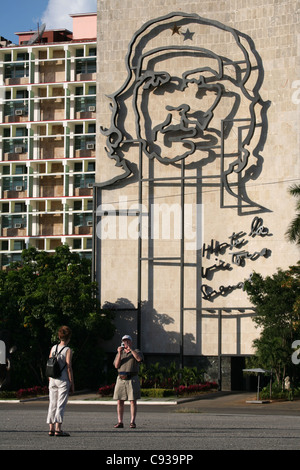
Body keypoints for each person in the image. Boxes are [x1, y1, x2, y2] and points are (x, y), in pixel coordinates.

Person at [46, 326, 74, 436]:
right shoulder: (68, 350)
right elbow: (68, 366)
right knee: (60, 404)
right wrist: (71, 382)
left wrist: (49, 377)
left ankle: (51, 428)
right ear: (69, 337)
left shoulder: (53, 348)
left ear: (59, 336)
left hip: (52, 378)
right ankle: (58, 428)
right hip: (63, 379)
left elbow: (49, 362)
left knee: (52, 403)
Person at [113, 334, 143, 428]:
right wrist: (119, 353)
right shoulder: (120, 353)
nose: (125, 343)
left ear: (131, 342)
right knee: (119, 400)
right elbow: (116, 365)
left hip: (132, 378)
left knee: (133, 401)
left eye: (127, 341)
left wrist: (131, 350)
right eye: (124, 341)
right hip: (121, 378)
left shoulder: (136, 351)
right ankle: (120, 421)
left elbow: (139, 359)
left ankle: (132, 421)